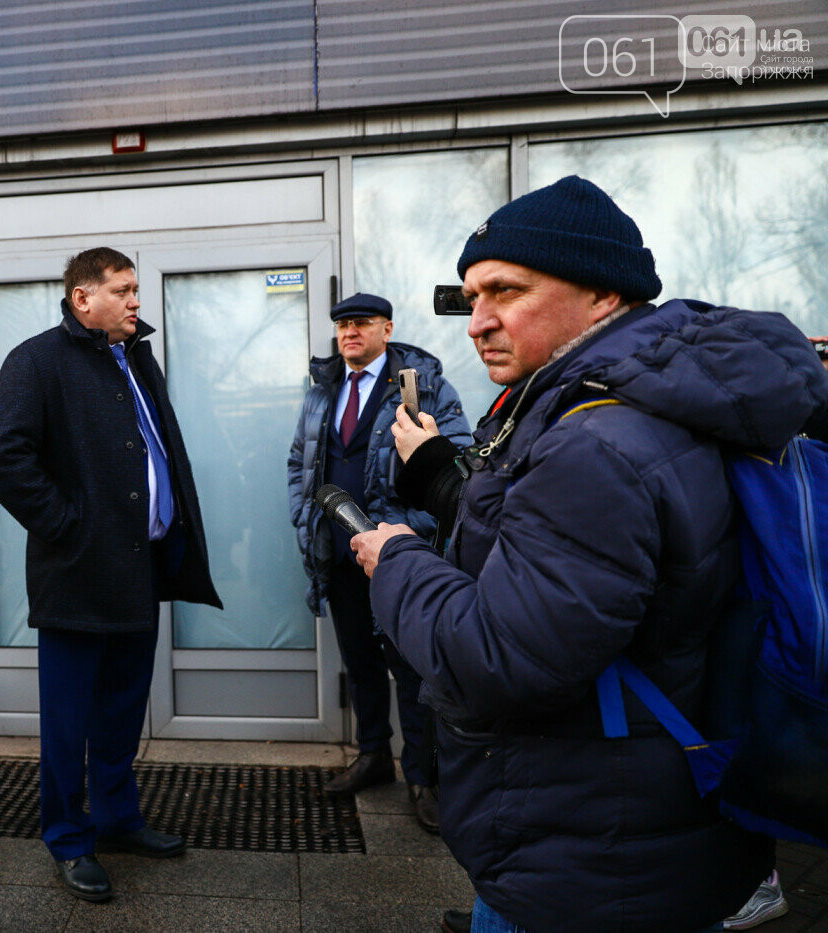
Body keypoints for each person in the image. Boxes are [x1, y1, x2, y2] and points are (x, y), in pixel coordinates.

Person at [352, 175, 828, 932]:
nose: (478, 322)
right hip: (650, 826)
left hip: (589, 862)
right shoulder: (648, 398)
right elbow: (554, 544)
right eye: (472, 297)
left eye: (505, 291)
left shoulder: (595, 440)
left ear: (603, 296)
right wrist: (447, 480)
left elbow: (500, 660)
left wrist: (400, 559)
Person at [0, 246, 220, 903]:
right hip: (77, 576)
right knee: (67, 722)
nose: (137, 300)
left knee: (120, 710)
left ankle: (116, 818)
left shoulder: (137, 355)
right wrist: (67, 525)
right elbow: (0, 453)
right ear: (84, 299)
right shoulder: (37, 360)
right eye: (124, 288)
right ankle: (68, 837)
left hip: (138, 572)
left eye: (136, 288)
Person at [286, 292, 470, 831]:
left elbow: (452, 463)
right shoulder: (324, 389)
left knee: (412, 671)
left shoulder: (423, 385)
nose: (349, 333)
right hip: (338, 554)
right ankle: (373, 757)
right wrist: (305, 514)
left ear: (386, 329)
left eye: (361, 324)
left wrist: (412, 533)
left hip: (397, 557)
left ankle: (422, 777)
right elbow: (301, 458)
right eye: (342, 325)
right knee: (360, 662)